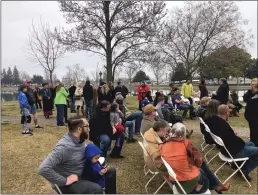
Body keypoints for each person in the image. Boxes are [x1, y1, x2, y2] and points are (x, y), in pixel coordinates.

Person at [38, 116, 116, 194]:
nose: (89, 129)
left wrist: (98, 159)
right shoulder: (64, 147)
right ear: (79, 129)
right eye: (87, 126)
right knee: (96, 189)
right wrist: (65, 181)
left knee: (111, 171)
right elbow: (43, 169)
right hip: (70, 184)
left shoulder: (80, 140)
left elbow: (85, 154)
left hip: (83, 174)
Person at [160, 122, 230, 194]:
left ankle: (217, 186)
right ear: (184, 133)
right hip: (190, 181)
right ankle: (214, 186)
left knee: (200, 165)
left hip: (175, 180)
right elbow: (198, 163)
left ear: (171, 132)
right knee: (201, 166)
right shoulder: (186, 144)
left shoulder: (163, 145)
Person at [206, 104, 258, 180]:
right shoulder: (223, 124)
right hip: (233, 151)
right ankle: (244, 170)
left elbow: (227, 136)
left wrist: (232, 134)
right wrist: (234, 135)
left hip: (225, 149)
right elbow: (234, 142)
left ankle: (237, 164)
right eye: (229, 112)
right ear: (227, 113)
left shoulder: (214, 120)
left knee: (251, 143)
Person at [245, 82, 258, 147]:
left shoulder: (251, 101)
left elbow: (246, 114)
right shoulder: (251, 100)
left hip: (253, 123)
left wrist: (251, 120)